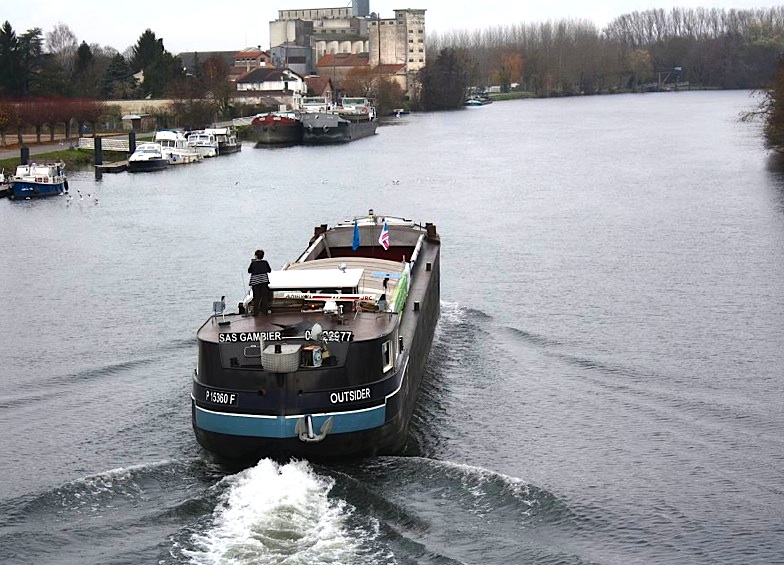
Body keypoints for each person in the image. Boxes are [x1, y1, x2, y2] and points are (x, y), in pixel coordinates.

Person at [248, 249, 272, 316]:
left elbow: (249, 271)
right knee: (264, 297)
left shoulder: (253, 263)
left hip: (255, 282)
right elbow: (269, 270)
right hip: (264, 281)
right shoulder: (265, 262)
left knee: (256, 297)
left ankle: (256, 313)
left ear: (256, 256)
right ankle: (265, 312)